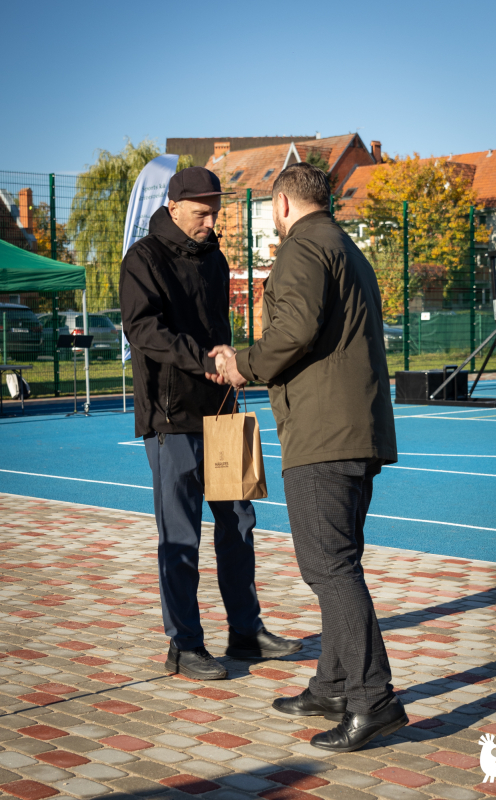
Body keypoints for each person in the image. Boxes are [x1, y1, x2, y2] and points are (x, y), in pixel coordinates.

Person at [208, 162, 407, 751]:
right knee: (339, 562)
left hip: (323, 435)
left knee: (329, 568)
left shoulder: (301, 248)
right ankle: (333, 684)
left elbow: (292, 331)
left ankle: (374, 701)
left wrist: (241, 362)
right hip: (358, 429)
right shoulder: (346, 247)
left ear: (283, 205)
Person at [119, 166, 301, 681]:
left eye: (215, 212)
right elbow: (145, 333)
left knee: (238, 524)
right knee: (180, 534)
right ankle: (184, 644)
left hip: (221, 412)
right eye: (201, 212)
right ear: (174, 206)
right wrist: (206, 360)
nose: (209, 221)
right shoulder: (143, 259)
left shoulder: (216, 258)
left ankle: (245, 631)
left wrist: (232, 365)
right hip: (171, 419)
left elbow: (220, 330)